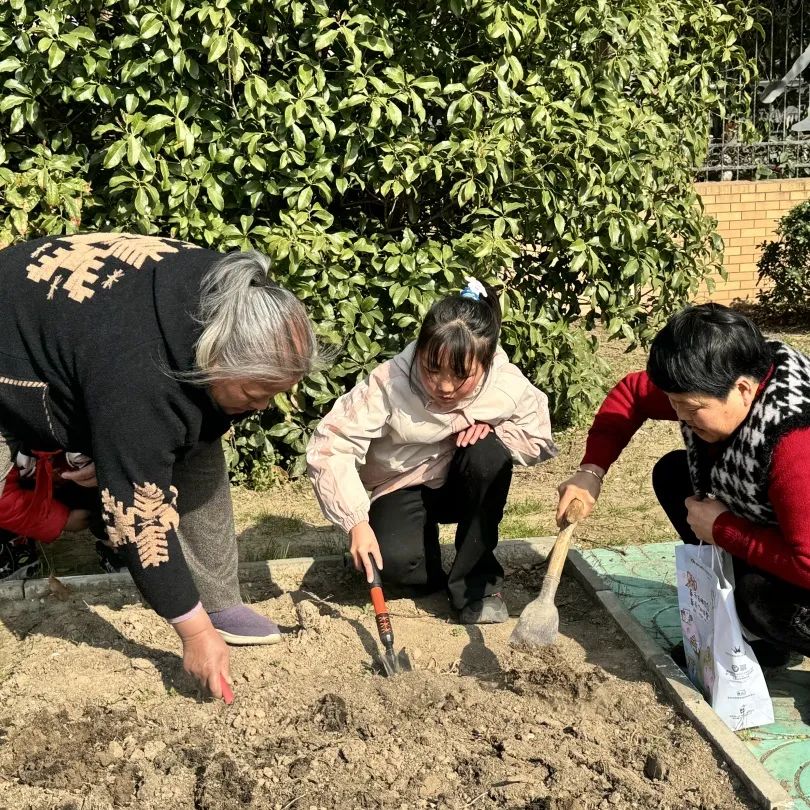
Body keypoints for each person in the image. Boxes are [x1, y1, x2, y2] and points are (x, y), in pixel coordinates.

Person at [0, 232, 322, 699]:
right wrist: (193, 634)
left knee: (197, 450)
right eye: (256, 395)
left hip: (86, 338)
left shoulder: (231, 295)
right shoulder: (141, 374)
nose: (263, 407)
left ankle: (221, 600)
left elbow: (188, 431)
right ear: (215, 359)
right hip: (13, 344)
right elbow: (138, 513)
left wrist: (118, 451)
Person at [557, 303, 810, 665]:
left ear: (742, 389)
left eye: (692, 409)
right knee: (674, 474)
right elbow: (632, 394)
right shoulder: (717, 374)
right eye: (676, 405)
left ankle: (764, 627)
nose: (681, 417)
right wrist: (590, 472)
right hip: (783, 528)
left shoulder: (795, 441)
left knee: (761, 599)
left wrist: (724, 529)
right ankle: (755, 635)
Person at [307, 278, 558, 623]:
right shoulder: (391, 381)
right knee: (393, 564)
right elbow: (331, 444)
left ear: (485, 363)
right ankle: (429, 568)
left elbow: (538, 436)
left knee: (487, 454)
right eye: (431, 368)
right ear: (421, 350)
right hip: (404, 483)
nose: (443, 386)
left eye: (460, 375)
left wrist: (497, 431)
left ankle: (477, 585)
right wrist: (356, 522)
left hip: (464, 480)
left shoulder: (505, 382)